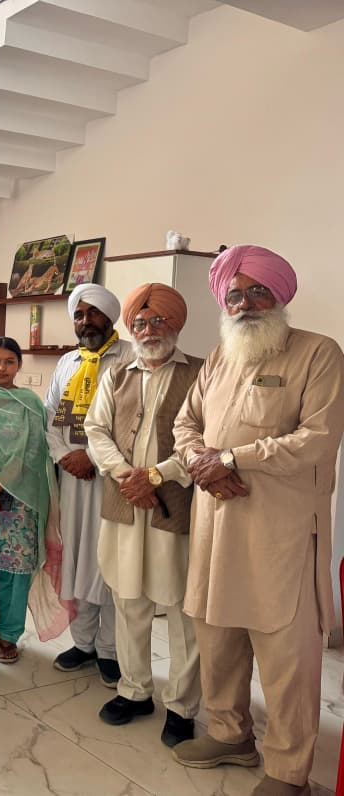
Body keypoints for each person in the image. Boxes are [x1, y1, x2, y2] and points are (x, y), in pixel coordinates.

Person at [172, 245, 344, 796]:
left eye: (257, 291)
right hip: (215, 524)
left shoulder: (319, 353)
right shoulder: (219, 357)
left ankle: (289, 771)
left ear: (280, 295)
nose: (245, 303)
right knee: (217, 638)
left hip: (280, 533)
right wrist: (204, 462)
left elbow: (317, 440)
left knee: (286, 655)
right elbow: (185, 423)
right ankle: (229, 735)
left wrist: (231, 458)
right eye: (234, 294)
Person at [84, 284, 202, 748]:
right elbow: (96, 429)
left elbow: (206, 438)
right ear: (130, 329)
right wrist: (125, 475)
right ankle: (134, 691)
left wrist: (158, 475)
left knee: (181, 607)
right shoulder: (116, 373)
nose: (149, 331)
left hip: (176, 507)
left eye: (158, 321)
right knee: (128, 599)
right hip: (124, 503)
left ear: (176, 324)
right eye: (140, 323)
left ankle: (182, 706)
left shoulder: (201, 373)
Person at [45, 282, 133, 686]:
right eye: (79, 315)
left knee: (108, 561)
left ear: (109, 316)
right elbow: (50, 417)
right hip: (72, 479)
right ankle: (83, 643)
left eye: (93, 313)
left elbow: (132, 422)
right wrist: (65, 456)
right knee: (76, 556)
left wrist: (92, 457)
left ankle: (110, 650)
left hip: (112, 478)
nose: (86, 321)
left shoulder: (130, 357)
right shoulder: (67, 362)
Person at [0, 337, 69, 665]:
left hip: (20, 497)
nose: (1, 368)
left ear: (19, 366)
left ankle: (9, 635)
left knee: (16, 569)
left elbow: (33, 450)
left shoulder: (30, 404)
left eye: (9, 362)